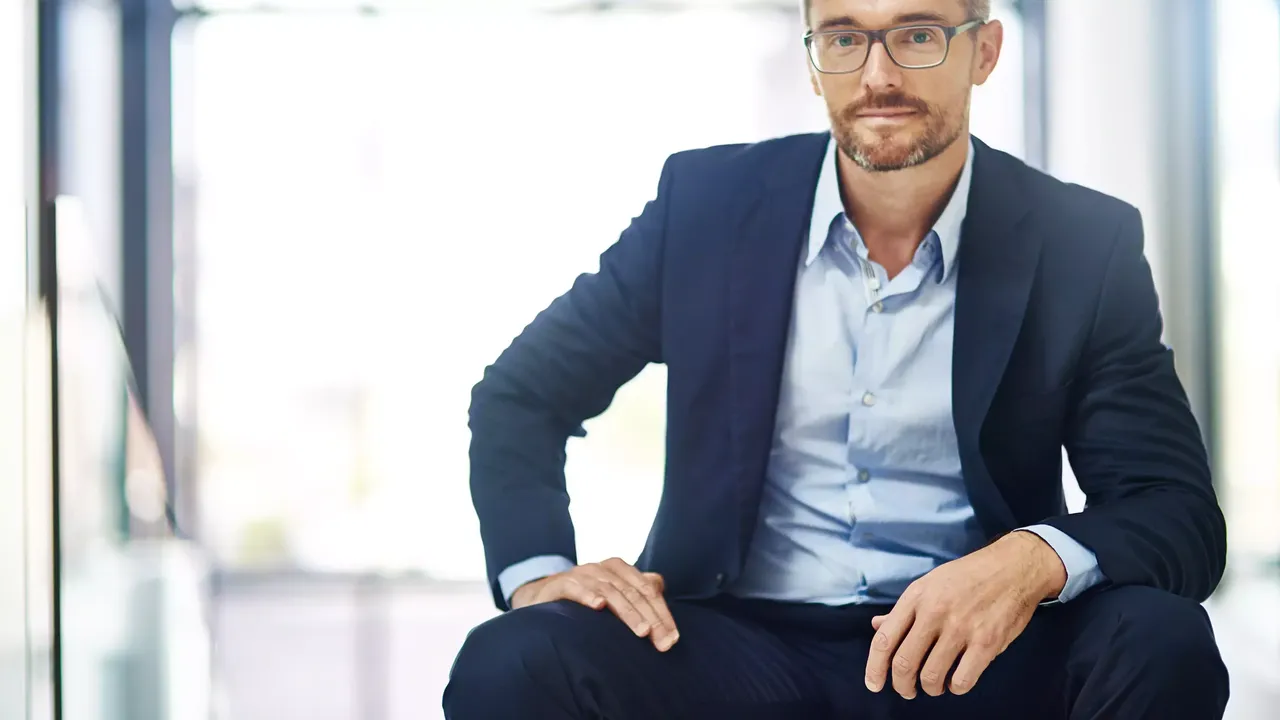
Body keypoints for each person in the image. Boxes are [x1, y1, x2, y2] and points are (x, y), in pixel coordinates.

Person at [444, 0, 1230, 717]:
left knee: (1163, 640)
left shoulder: (1080, 245)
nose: (879, 75)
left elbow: (1175, 511)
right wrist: (538, 574)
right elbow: (521, 396)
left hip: (974, 651)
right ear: (814, 56)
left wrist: (1028, 562)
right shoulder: (708, 207)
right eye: (846, 38)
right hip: (731, 643)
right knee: (511, 662)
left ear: (984, 52)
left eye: (918, 35)